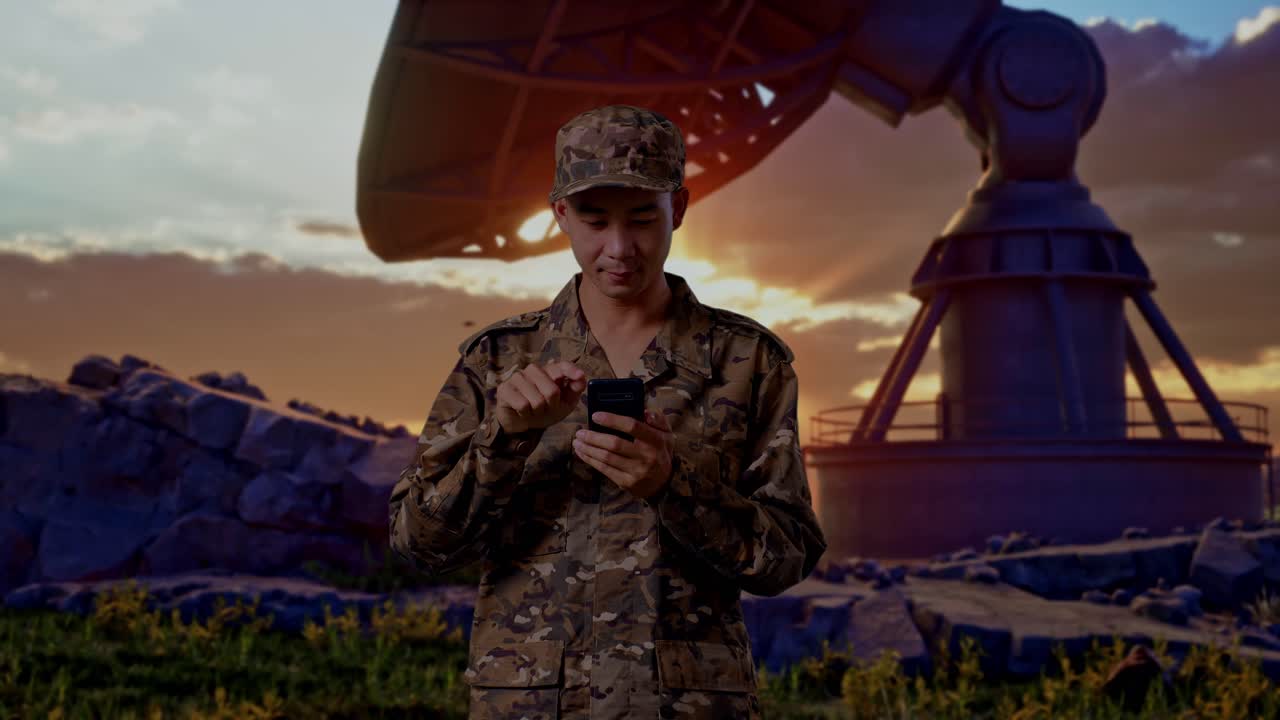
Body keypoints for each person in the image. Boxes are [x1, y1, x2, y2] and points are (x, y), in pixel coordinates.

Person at [388, 104, 827, 719]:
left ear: (681, 206)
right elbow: (418, 542)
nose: (619, 248)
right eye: (594, 220)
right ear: (560, 215)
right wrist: (504, 440)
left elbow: (786, 557)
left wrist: (672, 486)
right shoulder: (499, 361)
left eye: (644, 218)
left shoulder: (748, 362)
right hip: (532, 703)